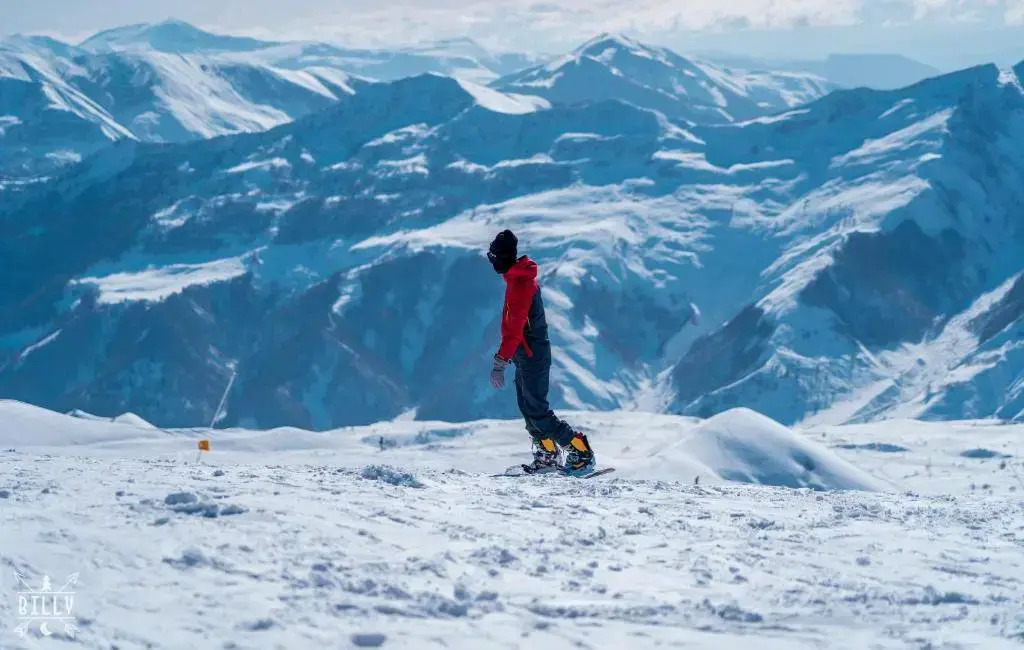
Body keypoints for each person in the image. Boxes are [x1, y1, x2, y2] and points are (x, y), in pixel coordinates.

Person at [486, 230, 596, 475]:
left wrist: (500, 362)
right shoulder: (515, 279)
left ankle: (581, 451)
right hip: (525, 355)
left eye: (492, 256)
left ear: (502, 257)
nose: (491, 261)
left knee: (537, 409)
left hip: (532, 355)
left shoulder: (521, 285)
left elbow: (514, 330)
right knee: (527, 407)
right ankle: (547, 455)